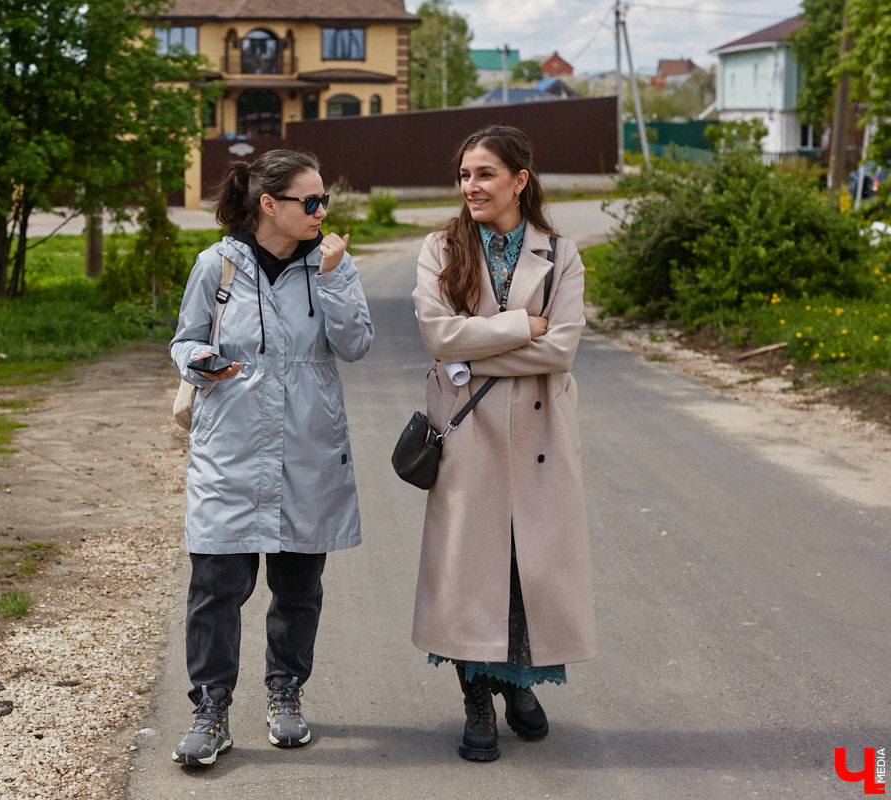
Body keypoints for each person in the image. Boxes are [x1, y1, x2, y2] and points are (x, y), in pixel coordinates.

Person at [168, 149, 374, 767]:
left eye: (324, 202)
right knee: (215, 586)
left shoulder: (332, 264)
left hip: (308, 445)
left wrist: (334, 276)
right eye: (309, 202)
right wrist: (201, 362)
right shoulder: (217, 266)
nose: (320, 212)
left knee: (298, 587)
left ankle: (285, 694)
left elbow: (356, 344)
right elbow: (185, 340)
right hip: (231, 446)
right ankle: (211, 708)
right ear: (268, 205)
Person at [410, 125, 595, 762]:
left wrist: (479, 347)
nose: (471, 186)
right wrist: (520, 327)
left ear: (520, 179)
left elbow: (562, 348)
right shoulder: (440, 248)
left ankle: (519, 688)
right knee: (470, 573)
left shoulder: (561, 252)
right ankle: (475, 702)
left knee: (526, 569)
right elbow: (439, 338)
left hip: (542, 433)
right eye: (464, 175)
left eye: (485, 174)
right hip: (469, 434)